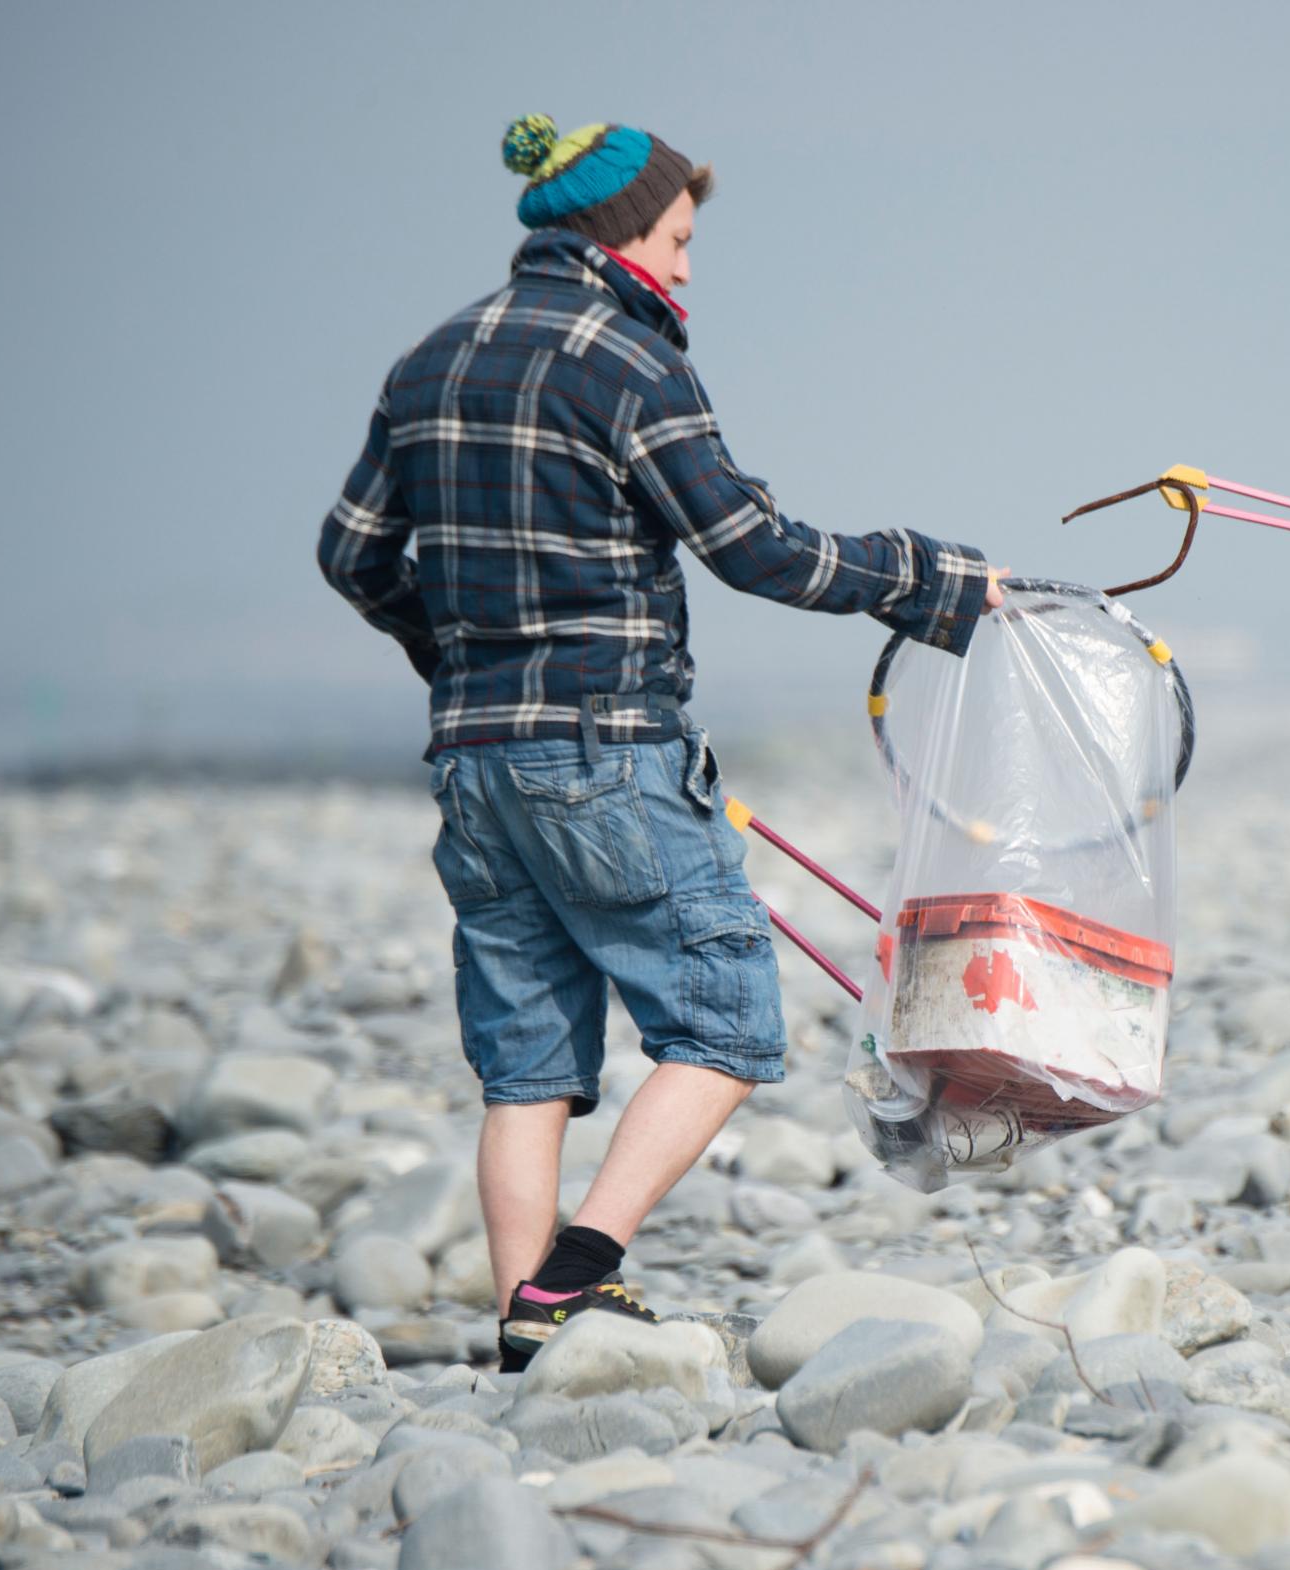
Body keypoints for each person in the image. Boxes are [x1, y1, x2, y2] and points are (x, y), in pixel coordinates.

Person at [319, 115, 1005, 1372]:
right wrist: (929, 575)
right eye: (679, 239)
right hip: (605, 746)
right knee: (730, 1018)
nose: (686, 269)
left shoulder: (428, 361)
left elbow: (352, 554)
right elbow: (755, 548)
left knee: (527, 1062)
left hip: (472, 767)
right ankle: (580, 1273)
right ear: (620, 230)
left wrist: (454, 658)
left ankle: (527, 1323)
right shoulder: (627, 363)